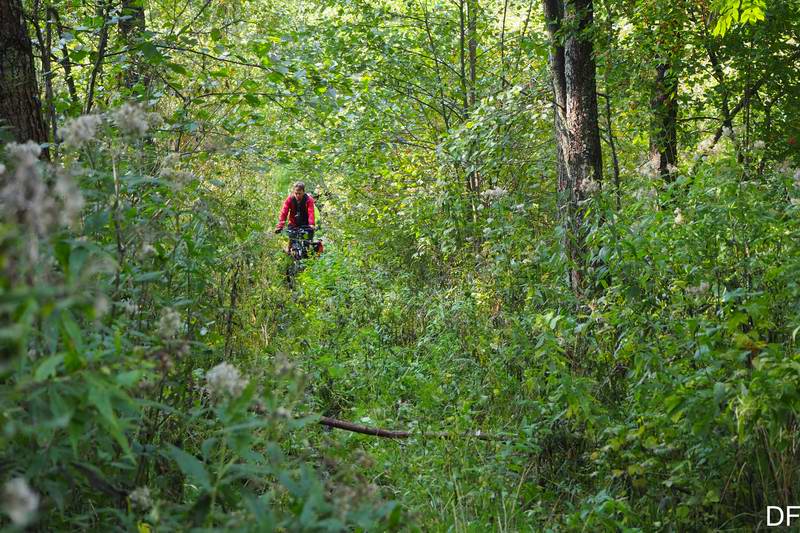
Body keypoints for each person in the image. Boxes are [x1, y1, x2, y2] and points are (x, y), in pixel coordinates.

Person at [274, 181, 316, 250]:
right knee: (292, 239)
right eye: (296, 193)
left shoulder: (309, 199)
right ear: (293, 192)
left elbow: (311, 212)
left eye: (299, 193)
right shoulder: (290, 199)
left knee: (306, 242)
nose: (297, 195)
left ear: (303, 191)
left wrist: (311, 224)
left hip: (306, 223)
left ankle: (308, 257)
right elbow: (284, 212)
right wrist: (280, 226)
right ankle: (289, 252)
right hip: (293, 223)